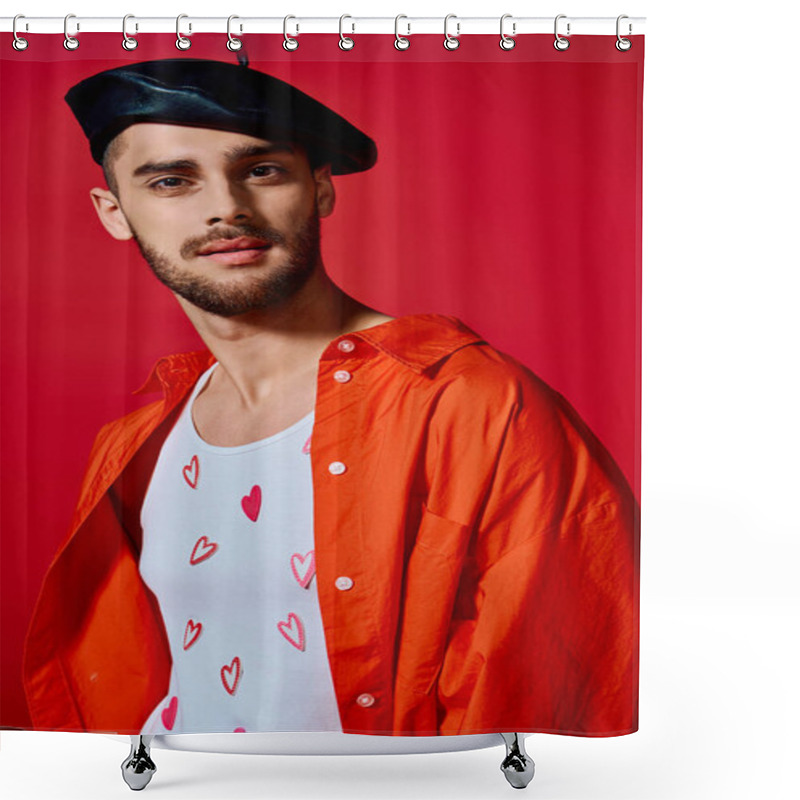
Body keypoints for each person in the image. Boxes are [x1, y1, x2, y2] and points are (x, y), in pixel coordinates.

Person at [23, 58, 639, 738]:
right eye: (171, 180)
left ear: (319, 190)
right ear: (114, 213)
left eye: (262, 171)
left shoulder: (474, 405)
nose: (226, 207)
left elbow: (542, 699)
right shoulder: (136, 443)